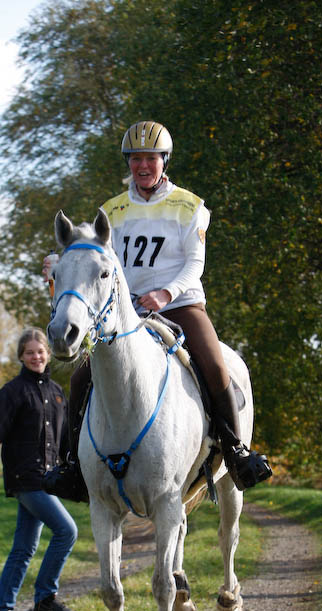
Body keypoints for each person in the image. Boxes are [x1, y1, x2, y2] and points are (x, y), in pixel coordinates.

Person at [44, 120, 271, 499]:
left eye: (151, 158)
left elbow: (194, 263)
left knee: (215, 367)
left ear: (164, 161)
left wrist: (167, 294)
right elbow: (95, 260)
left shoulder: (189, 206)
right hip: (125, 313)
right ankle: (73, 466)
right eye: (135, 159)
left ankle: (235, 452)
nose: (143, 166)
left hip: (180, 305)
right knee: (81, 376)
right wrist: (58, 262)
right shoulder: (111, 211)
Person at [0, 328, 79, 611]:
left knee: (23, 548)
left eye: (40, 351)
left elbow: (66, 439)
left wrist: (77, 471)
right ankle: (45, 598)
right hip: (25, 479)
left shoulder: (56, 391)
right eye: (29, 352)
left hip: (47, 479)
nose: (36, 357)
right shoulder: (12, 392)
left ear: (48, 354)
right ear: (21, 357)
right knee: (67, 531)